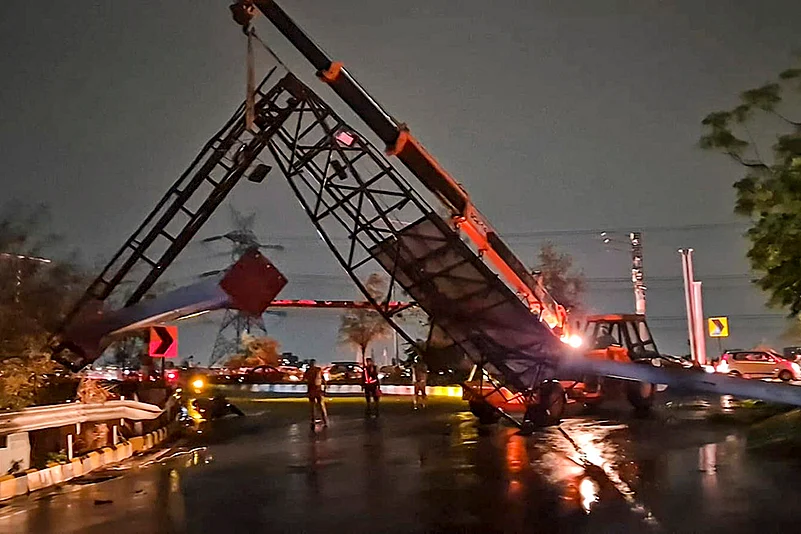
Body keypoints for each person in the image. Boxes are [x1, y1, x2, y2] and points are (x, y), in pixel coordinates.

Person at [303, 359, 328, 428]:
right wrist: (325, 387)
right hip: (317, 389)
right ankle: (324, 420)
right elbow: (323, 379)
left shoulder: (308, 371)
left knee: (312, 406)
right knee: (321, 405)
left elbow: (304, 379)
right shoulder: (318, 370)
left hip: (311, 389)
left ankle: (313, 420)